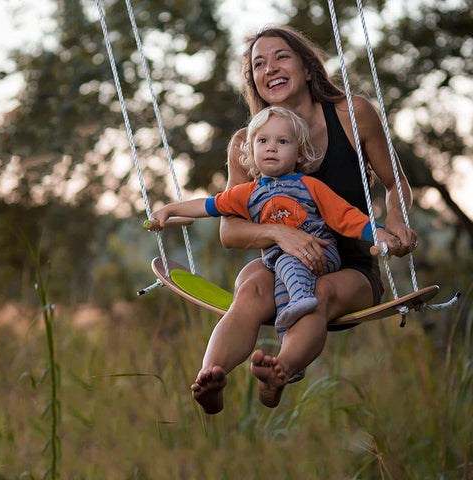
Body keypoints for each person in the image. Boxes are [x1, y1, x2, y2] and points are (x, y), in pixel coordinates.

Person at [188, 25, 417, 414]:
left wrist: (395, 221)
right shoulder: (249, 144)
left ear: (308, 68)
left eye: (281, 56)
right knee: (248, 291)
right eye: (258, 64)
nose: (270, 68)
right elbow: (229, 229)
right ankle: (211, 377)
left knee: (320, 295)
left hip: (351, 267)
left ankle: (281, 371)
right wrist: (280, 234)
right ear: (254, 82)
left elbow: (396, 183)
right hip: (280, 266)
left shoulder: (352, 114)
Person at [153, 105, 399, 355]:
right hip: (279, 263)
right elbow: (208, 205)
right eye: (263, 140)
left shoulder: (310, 186)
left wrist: (378, 232)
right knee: (283, 302)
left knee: (287, 266)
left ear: (300, 154)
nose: (271, 147)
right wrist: (170, 210)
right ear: (251, 150)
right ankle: (286, 360)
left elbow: (346, 216)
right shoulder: (246, 193)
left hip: (319, 254)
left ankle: (303, 297)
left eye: (282, 141)